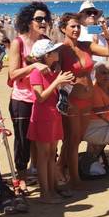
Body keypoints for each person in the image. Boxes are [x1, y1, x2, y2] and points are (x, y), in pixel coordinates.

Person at [58, 12, 109, 191]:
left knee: (76, 139)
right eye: (72, 26)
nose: (76, 29)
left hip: (87, 99)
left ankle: (61, 169)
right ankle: (74, 178)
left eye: (77, 26)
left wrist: (106, 33)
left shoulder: (86, 45)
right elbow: (55, 74)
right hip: (73, 100)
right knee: (72, 139)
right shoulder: (60, 50)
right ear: (63, 29)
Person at [8, 2, 53, 192]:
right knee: (23, 140)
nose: (43, 22)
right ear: (28, 21)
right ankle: (22, 177)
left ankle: (43, 174)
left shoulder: (46, 41)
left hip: (42, 98)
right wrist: (33, 66)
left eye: (45, 19)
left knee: (44, 139)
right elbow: (12, 74)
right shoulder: (18, 42)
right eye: (38, 19)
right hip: (23, 98)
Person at [26, 40, 74, 202]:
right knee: (43, 155)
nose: (57, 52)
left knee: (52, 154)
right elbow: (39, 97)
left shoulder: (52, 71)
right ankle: (45, 193)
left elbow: (55, 93)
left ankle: (51, 189)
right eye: (54, 51)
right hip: (42, 116)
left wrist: (63, 85)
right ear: (46, 55)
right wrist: (57, 82)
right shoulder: (36, 73)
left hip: (54, 115)